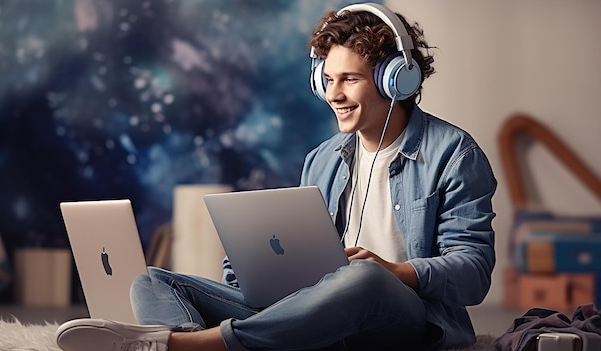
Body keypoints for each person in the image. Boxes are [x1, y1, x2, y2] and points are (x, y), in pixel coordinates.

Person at [55, 3, 497, 350]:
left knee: (362, 279)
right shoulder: (323, 158)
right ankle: (190, 340)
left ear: (394, 81)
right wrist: (254, 268)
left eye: (350, 80)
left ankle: (202, 345)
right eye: (327, 79)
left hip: (404, 318)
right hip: (319, 308)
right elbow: (298, 255)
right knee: (153, 279)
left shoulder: (454, 153)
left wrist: (395, 271)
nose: (334, 94)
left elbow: (473, 273)